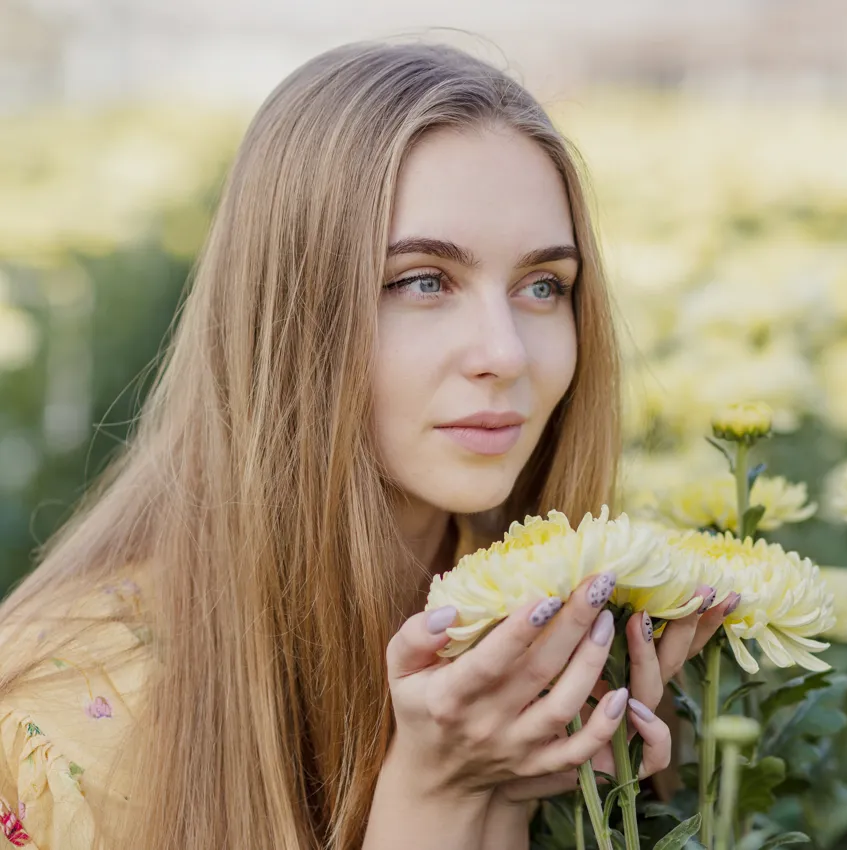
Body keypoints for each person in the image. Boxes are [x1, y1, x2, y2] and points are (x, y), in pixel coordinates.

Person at [0, 40, 735, 849]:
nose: (506, 353)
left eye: (542, 286)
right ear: (291, 316)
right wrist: (438, 797)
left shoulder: (577, 635)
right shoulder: (65, 720)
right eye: (424, 280)